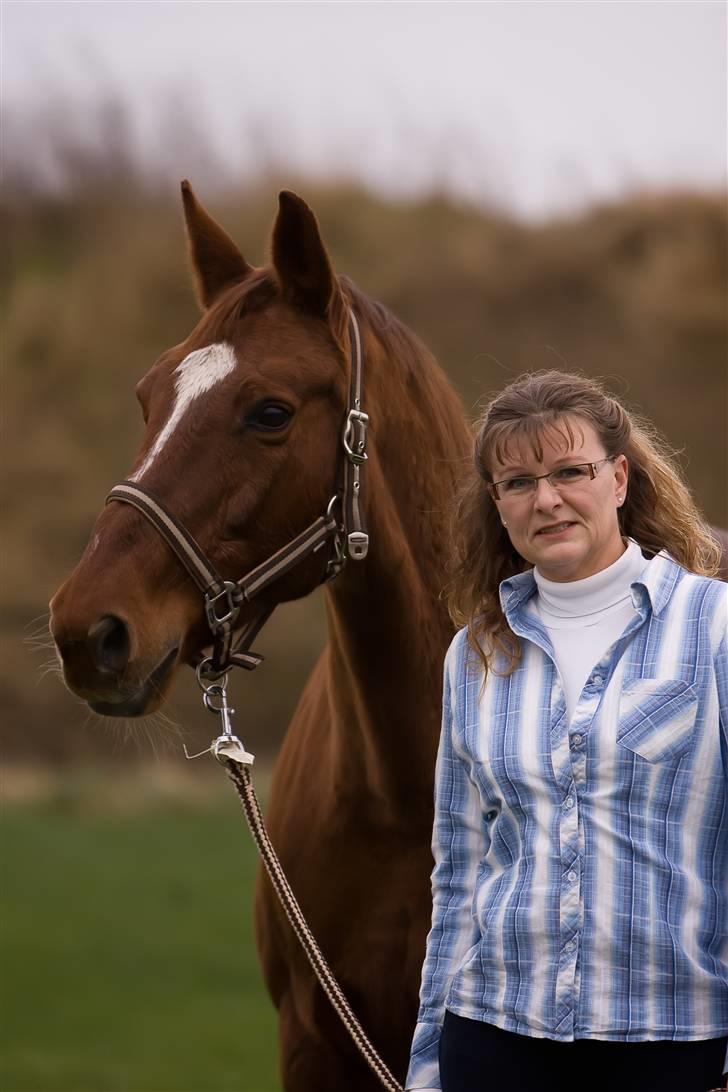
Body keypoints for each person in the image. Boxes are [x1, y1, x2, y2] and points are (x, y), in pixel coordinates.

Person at [406, 370, 728, 1092]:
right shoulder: (477, 653)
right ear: (497, 504)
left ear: (618, 478)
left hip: (670, 1044)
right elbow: (459, 872)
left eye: (568, 472)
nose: (546, 499)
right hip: (492, 1039)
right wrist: (428, 1063)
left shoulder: (714, 628)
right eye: (517, 482)